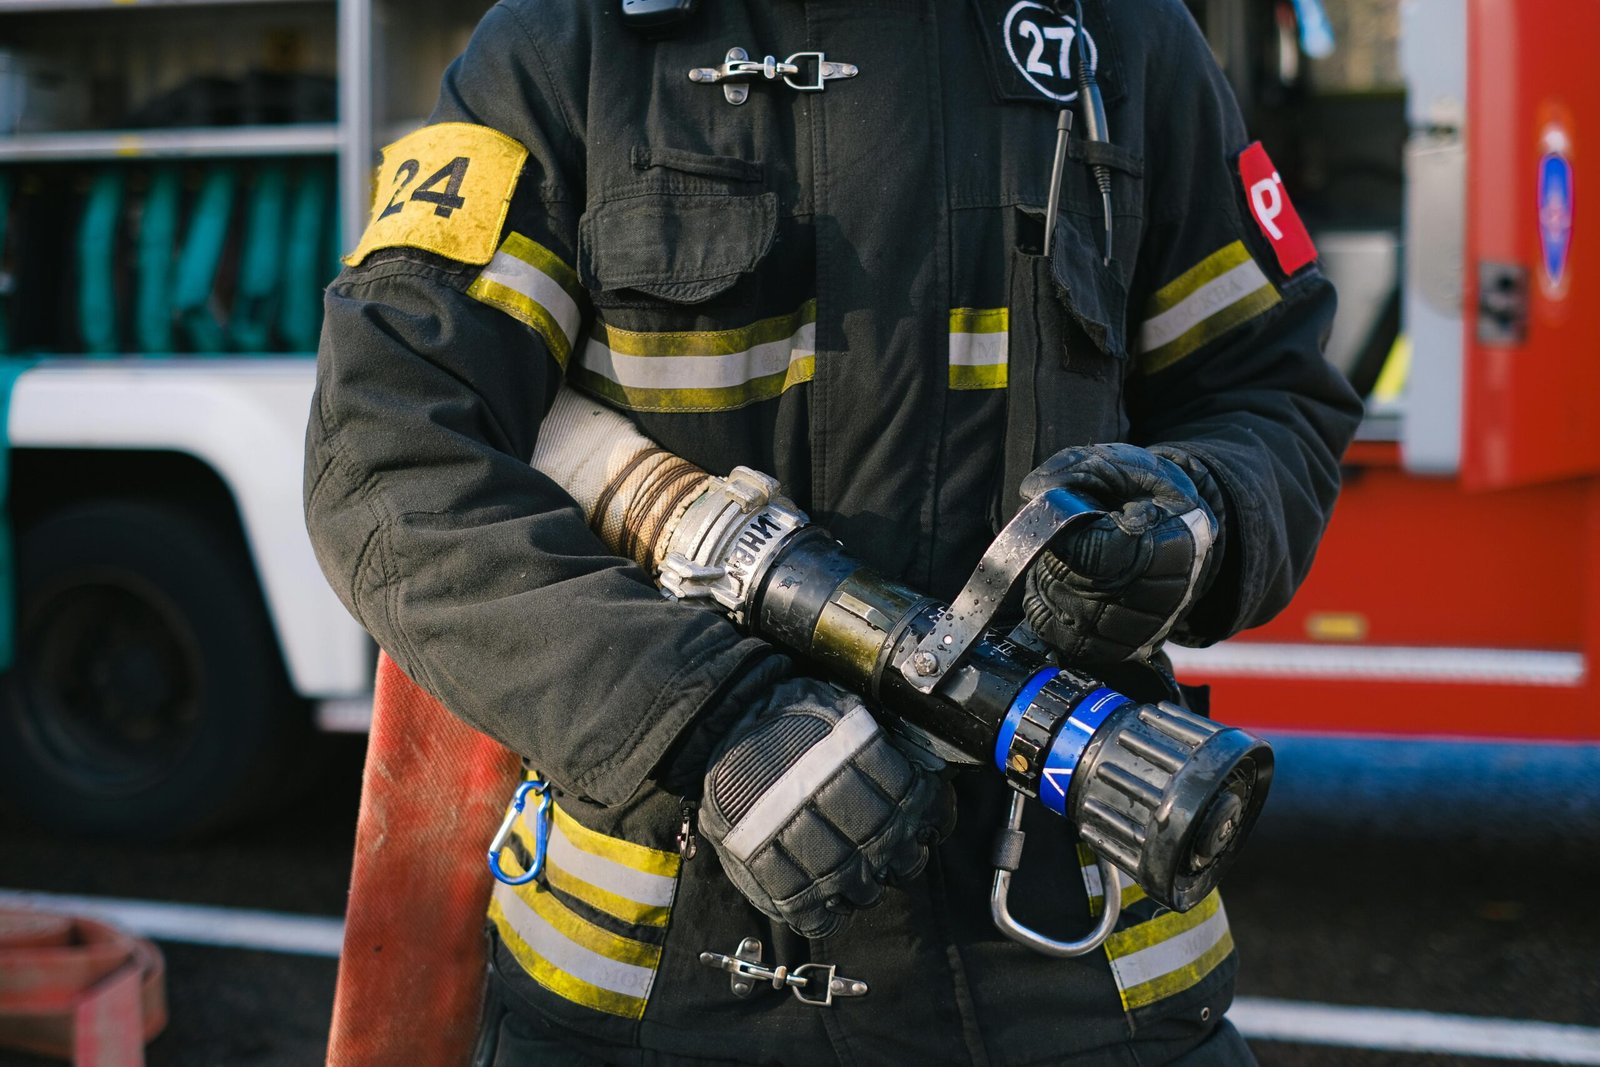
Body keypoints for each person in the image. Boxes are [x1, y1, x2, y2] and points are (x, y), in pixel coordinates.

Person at [304, 0, 1362, 1062]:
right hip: (662, 986)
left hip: (1071, 980)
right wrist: (708, 715)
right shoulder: (567, 43)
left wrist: (1197, 513)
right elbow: (385, 454)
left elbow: (1270, 390)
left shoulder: (1118, 36)